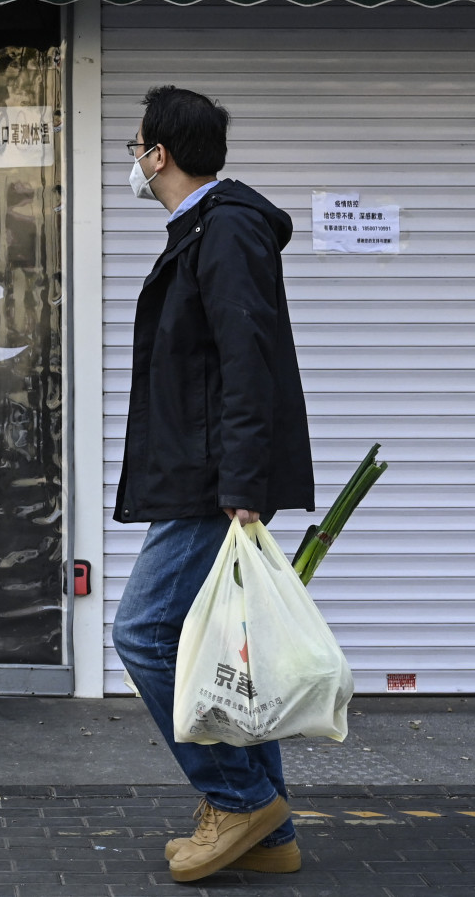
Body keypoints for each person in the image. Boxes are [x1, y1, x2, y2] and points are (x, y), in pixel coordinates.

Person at [110, 85, 316, 884]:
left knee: (146, 634)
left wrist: (241, 481)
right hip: (203, 474)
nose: (132, 158)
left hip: (212, 482)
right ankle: (269, 832)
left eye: (135, 146)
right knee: (220, 648)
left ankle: (236, 798)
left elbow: (245, 361)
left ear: (159, 154)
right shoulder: (205, 229)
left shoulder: (223, 231)